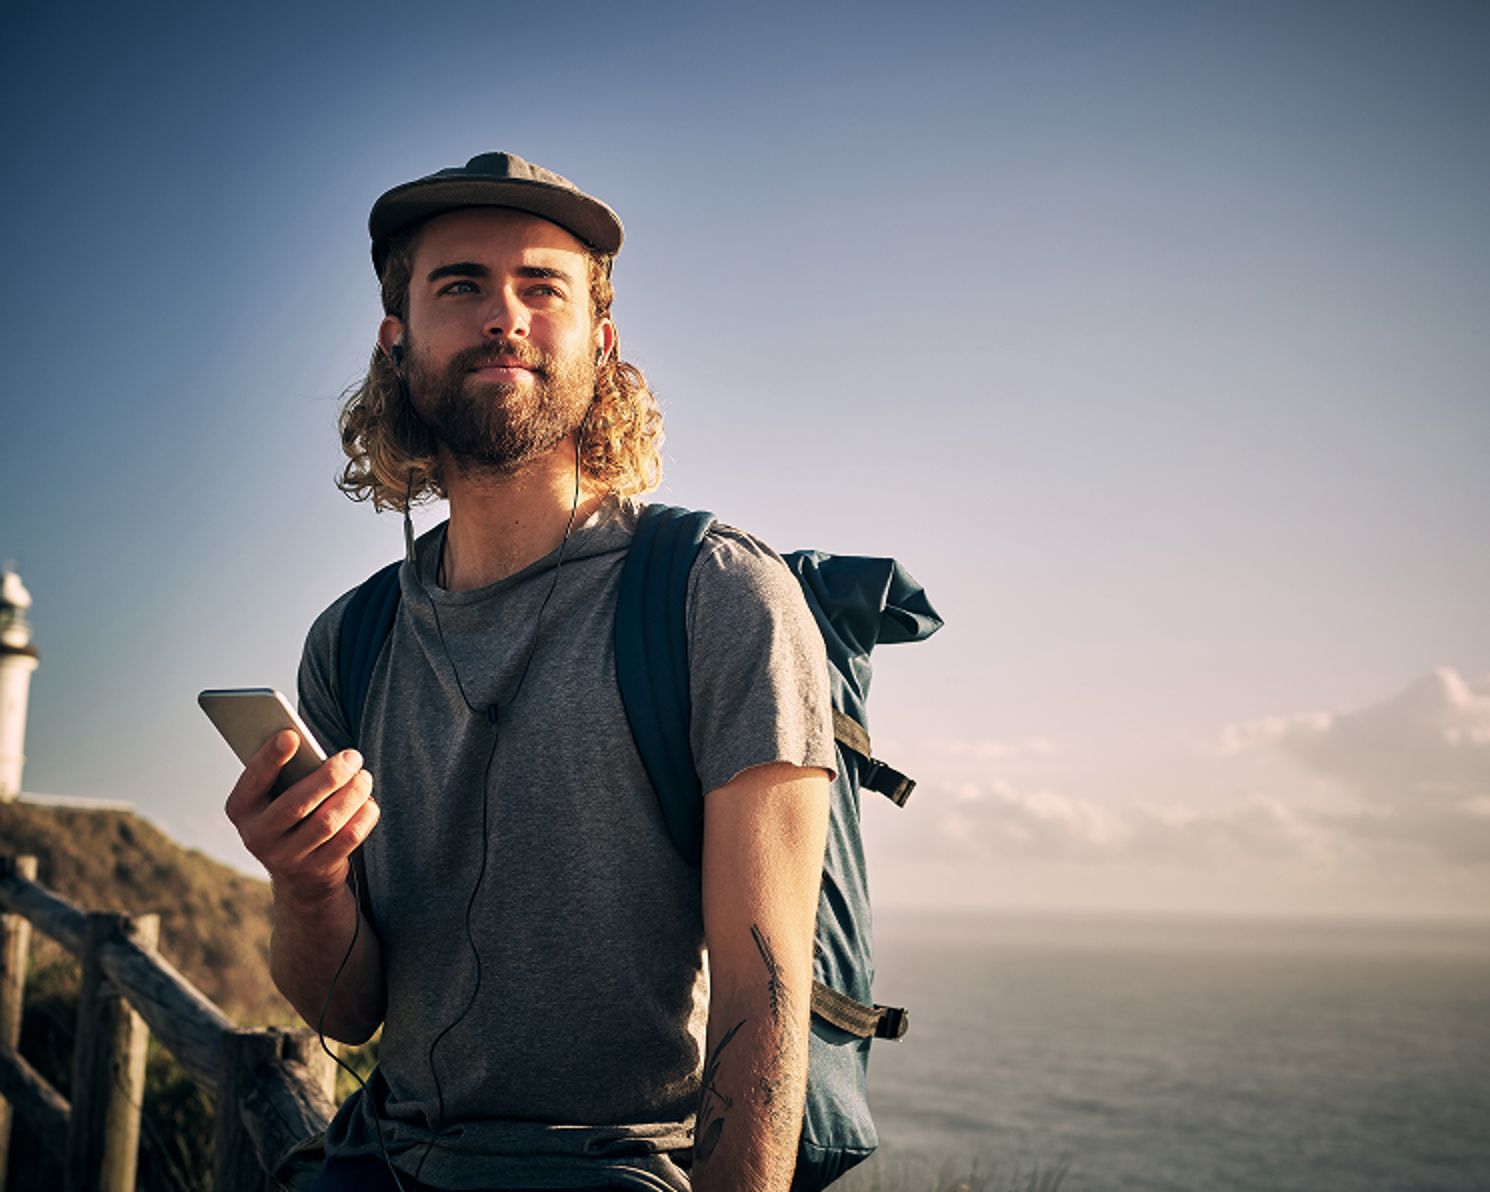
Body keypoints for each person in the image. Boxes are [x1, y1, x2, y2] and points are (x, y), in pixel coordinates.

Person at [224, 152, 835, 1192]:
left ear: (602, 342)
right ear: (396, 341)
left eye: (541, 287)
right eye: (459, 285)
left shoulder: (715, 596)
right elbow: (345, 1011)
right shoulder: (352, 639)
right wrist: (307, 881)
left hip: (619, 1172)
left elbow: (761, 995)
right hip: (385, 1161)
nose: (503, 315)